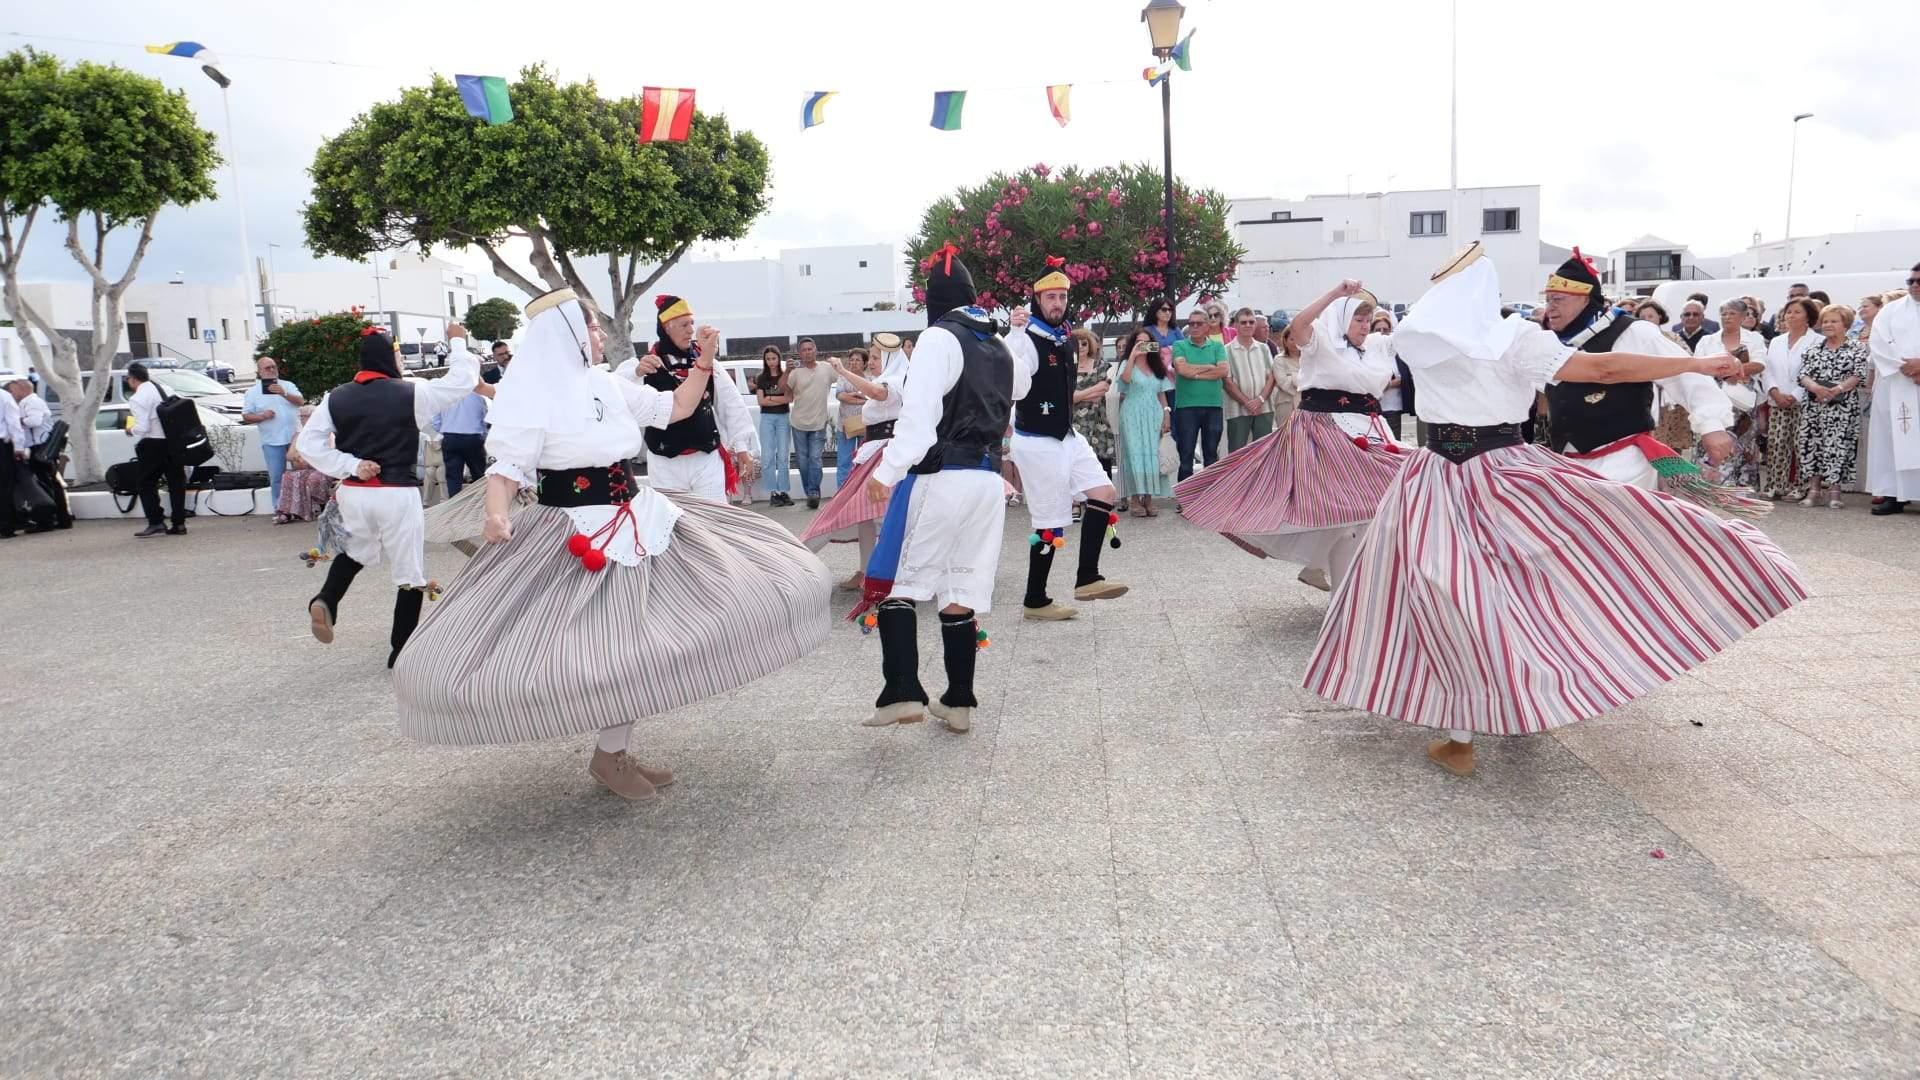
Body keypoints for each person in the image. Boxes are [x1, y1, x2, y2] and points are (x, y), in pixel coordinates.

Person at [1304, 245, 1806, 777]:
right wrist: (1695, 360)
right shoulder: (1516, 337)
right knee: (1520, 585)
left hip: (1432, 476)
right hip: (1500, 471)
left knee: (1448, 592)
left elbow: (1608, 363)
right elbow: (1606, 368)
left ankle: (1464, 728)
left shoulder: (1413, 336)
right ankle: (1522, 694)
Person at [393, 289, 831, 800]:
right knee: (610, 647)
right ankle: (610, 754)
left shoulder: (605, 383)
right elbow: (508, 467)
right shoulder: (533, 391)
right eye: (594, 328)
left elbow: (677, 406)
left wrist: (706, 362)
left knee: (640, 640)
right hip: (575, 531)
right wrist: (495, 516)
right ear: (570, 334)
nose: (600, 336)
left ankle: (612, 752)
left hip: (637, 514)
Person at [858, 247, 1030, 732]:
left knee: (899, 580)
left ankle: (902, 692)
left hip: (943, 477)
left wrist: (885, 472)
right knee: (959, 587)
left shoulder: (938, 337)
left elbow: (918, 421)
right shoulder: (997, 345)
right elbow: (1020, 388)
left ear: (935, 303)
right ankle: (957, 701)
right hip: (986, 482)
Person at [1176, 278, 1402, 592]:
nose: (1365, 326)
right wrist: (1335, 292)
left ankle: (1326, 571)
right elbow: (1299, 325)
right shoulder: (1322, 338)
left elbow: (1414, 339)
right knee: (1346, 507)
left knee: (1361, 506)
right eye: (1358, 319)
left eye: (1367, 320)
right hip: (1323, 432)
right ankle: (1343, 591)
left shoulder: (1374, 346)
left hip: (1368, 429)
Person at [296, 326, 479, 667]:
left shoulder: (336, 397)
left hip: (354, 493)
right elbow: (463, 380)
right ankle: (401, 650)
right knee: (409, 571)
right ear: (388, 357)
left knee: (356, 551)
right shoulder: (412, 392)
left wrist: (350, 465)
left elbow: (308, 445)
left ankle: (327, 599)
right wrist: (457, 340)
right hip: (397, 492)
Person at [1538, 250, 1748, 513]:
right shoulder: (1551, 344)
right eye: (1547, 300)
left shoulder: (1634, 332)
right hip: (1569, 462)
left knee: (1618, 534)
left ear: (1585, 299)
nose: (1550, 308)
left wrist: (1712, 425)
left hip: (1623, 460)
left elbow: (1681, 371)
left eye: (1557, 299)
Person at [1005, 257, 1128, 621]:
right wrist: (1012, 334)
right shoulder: (1026, 339)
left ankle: (1087, 577)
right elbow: (1012, 383)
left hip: (1067, 436)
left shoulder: (1068, 338)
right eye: (1051, 297)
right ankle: (1035, 600)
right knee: (1049, 524)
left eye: (1062, 296)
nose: (1057, 303)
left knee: (1103, 493)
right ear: (1037, 300)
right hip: (1037, 440)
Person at [619, 295, 759, 504]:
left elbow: (729, 404)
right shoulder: (645, 365)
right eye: (684, 324)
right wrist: (638, 373)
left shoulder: (705, 361)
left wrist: (741, 449)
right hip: (664, 462)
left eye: (692, 323)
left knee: (715, 517)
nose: (691, 330)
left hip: (706, 458)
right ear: (667, 328)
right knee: (674, 524)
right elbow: (620, 393)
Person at [803, 333, 911, 588]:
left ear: (889, 358)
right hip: (873, 450)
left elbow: (878, 394)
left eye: (875, 357)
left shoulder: (896, 381)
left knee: (884, 511)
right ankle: (867, 570)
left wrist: (843, 371)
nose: (870, 361)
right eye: (871, 356)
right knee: (865, 512)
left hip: (889, 452)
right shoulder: (884, 379)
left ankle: (890, 572)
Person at [1688, 298, 1769, 488]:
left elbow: (1760, 364)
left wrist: (1736, 370)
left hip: (1742, 405)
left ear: (1743, 316)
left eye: (1732, 313)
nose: (1727, 317)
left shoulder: (1754, 338)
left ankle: (1741, 489)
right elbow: (1697, 367)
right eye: (1724, 313)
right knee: (1709, 442)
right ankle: (1707, 487)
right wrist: (1726, 373)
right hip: (1712, 401)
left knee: (1740, 447)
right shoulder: (1708, 340)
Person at [1795, 303, 1868, 509]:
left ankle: (1835, 491)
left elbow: (1858, 374)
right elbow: (1802, 375)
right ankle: (1814, 490)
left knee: (1837, 446)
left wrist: (1837, 389)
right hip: (1814, 405)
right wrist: (1817, 388)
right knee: (1812, 444)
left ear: (1845, 324)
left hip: (1842, 408)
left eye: (1834, 321)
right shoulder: (1813, 348)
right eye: (1825, 321)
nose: (1828, 324)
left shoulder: (1857, 348)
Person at [1867, 264, 1920, 516]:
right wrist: (1906, 366)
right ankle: (1893, 494)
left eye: (1919, 281)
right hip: (1897, 383)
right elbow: (1879, 342)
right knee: (1891, 439)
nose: (1914, 286)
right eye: (1911, 281)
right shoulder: (1890, 311)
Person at [1762, 296, 1823, 499]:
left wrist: (1796, 395)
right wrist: (1775, 392)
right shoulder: (1777, 341)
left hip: (1805, 401)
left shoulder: (1818, 341)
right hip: (1777, 399)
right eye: (1788, 312)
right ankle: (1775, 485)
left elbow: (1815, 372)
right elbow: (1767, 370)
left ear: (1808, 316)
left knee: (1802, 444)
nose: (1791, 315)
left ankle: (1801, 487)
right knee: (1777, 443)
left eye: (1797, 311)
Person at [124, 362, 188, 538]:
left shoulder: (138, 398)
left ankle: (156, 521)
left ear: (134, 379)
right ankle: (179, 523)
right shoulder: (165, 389)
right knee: (176, 483)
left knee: (145, 483)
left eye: (128, 378)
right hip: (174, 442)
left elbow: (143, 428)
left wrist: (130, 430)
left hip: (153, 444)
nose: (128, 381)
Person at [1116, 326, 1174, 517]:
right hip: (1132, 413)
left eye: (1146, 342)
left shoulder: (1157, 366)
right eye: (1138, 342)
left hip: (1153, 413)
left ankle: (1148, 498)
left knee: (1152, 454)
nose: (1142, 345)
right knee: (1134, 454)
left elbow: (1161, 393)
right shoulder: (1126, 363)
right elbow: (1124, 382)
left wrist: (1167, 414)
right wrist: (1132, 356)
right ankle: (1134, 498)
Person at [1168, 309, 1229, 483]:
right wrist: (1209, 367)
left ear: (1207, 326)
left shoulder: (1217, 346)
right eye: (1191, 323)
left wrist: (1193, 372)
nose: (1194, 326)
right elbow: (1181, 369)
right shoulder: (1180, 345)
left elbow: (1223, 370)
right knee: (1186, 454)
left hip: (1213, 407)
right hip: (1186, 408)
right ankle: (1185, 500)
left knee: (1211, 455)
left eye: (1199, 323)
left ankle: (1209, 498)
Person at [240, 358, 306, 507]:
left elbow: (301, 402)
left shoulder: (287, 385)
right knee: (277, 476)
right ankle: (279, 507)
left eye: (274, 367)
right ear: (260, 372)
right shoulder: (252, 392)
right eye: (267, 368)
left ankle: (302, 506)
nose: (271, 370)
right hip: (272, 440)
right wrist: (262, 416)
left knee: (301, 473)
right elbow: (246, 415)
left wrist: (284, 394)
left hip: (294, 437)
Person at [8, 378, 68, 531]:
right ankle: (60, 518)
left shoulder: (31, 402)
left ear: (22, 389)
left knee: (46, 483)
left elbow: (34, 421)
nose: (12, 393)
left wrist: (17, 420)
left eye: (14, 390)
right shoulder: (29, 402)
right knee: (50, 482)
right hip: (41, 446)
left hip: (41, 447)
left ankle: (50, 520)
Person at [785, 337, 835, 508]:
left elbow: (842, 377)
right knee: (802, 461)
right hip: (798, 423)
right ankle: (810, 492)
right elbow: (785, 392)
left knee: (815, 458)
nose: (807, 352)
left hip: (819, 423)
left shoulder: (827, 369)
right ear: (800, 353)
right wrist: (786, 371)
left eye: (810, 349)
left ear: (816, 349)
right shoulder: (795, 372)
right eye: (804, 350)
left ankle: (813, 492)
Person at [1222, 308, 1276, 452]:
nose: (1248, 325)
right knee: (1237, 454)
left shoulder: (1264, 348)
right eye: (1243, 322)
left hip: (1264, 408)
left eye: (1251, 322)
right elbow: (1227, 382)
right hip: (1237, 410)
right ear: (1236, 325)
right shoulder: (1226, 350)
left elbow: (1272, 377)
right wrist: (1248, 403)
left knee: (1263, 452)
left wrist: (1260, 400)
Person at [428, 368, 488, 498]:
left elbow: (435, 420)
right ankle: (481, 506)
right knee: (479, 476)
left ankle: (455, 509)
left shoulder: (445, 397)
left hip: (451, 437)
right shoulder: (478, 396)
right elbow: (485, 419)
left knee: (453, 478)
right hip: (473, 438)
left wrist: (446, 430)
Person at [275, 407, 334, 524]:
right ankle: (287, 513)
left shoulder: (326, 433)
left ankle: (311, 510)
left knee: (313, 478)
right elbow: (289, 455)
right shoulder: (300, 434)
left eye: (304, 416)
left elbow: (328, 453)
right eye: (300, 416)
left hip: (323, 469)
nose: (301, 419)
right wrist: (299, 456)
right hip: (307, 468)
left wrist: (305, 457)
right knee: (289, 476)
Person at [1070, 327, 1115, 478]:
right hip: (1073, 422)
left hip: (1097, 422)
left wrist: (1078, 395)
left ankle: (1103, 501)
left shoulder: (1100, 364)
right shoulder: (1066, 366)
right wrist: (1093, 389)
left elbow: (1100, 394)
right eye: (1077, 343)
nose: (1081, 347)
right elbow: (1069, 397)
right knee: (1076, 465)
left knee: (1101, 464)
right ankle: (1080, 501)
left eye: (1084, 343)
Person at [752, 345, 793, 507]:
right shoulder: (761, 377)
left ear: (778, 358)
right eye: (768, 359)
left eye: (774, 358)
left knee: (783, 456)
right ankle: (773, 492)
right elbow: (760, 401)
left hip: (783, 417)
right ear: (765, 360)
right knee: (768, 456)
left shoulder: (786, 376)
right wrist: (776, 398)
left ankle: (783, 491)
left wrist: (770, 398)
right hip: (767, 418)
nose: (771, 362)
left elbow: (789, 398)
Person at [833, 348, 869, 492]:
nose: (853, 363)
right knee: (844, 462)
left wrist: (853, 397)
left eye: (857, 360)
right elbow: (841, 396)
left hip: (865, 425)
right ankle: (842, 493)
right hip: (845, 426)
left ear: (865, 363)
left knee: (863, 460)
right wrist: (861, 399)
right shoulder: (843, 377)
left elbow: (872, 397)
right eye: (851, 360)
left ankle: (859, 493)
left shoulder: (870, 379)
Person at [0, 380, 23, 539]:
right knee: (4, 487)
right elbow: (14, 423)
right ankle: (5, 526)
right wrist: (19, 447)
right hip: (2, 447)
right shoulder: (4, 396)